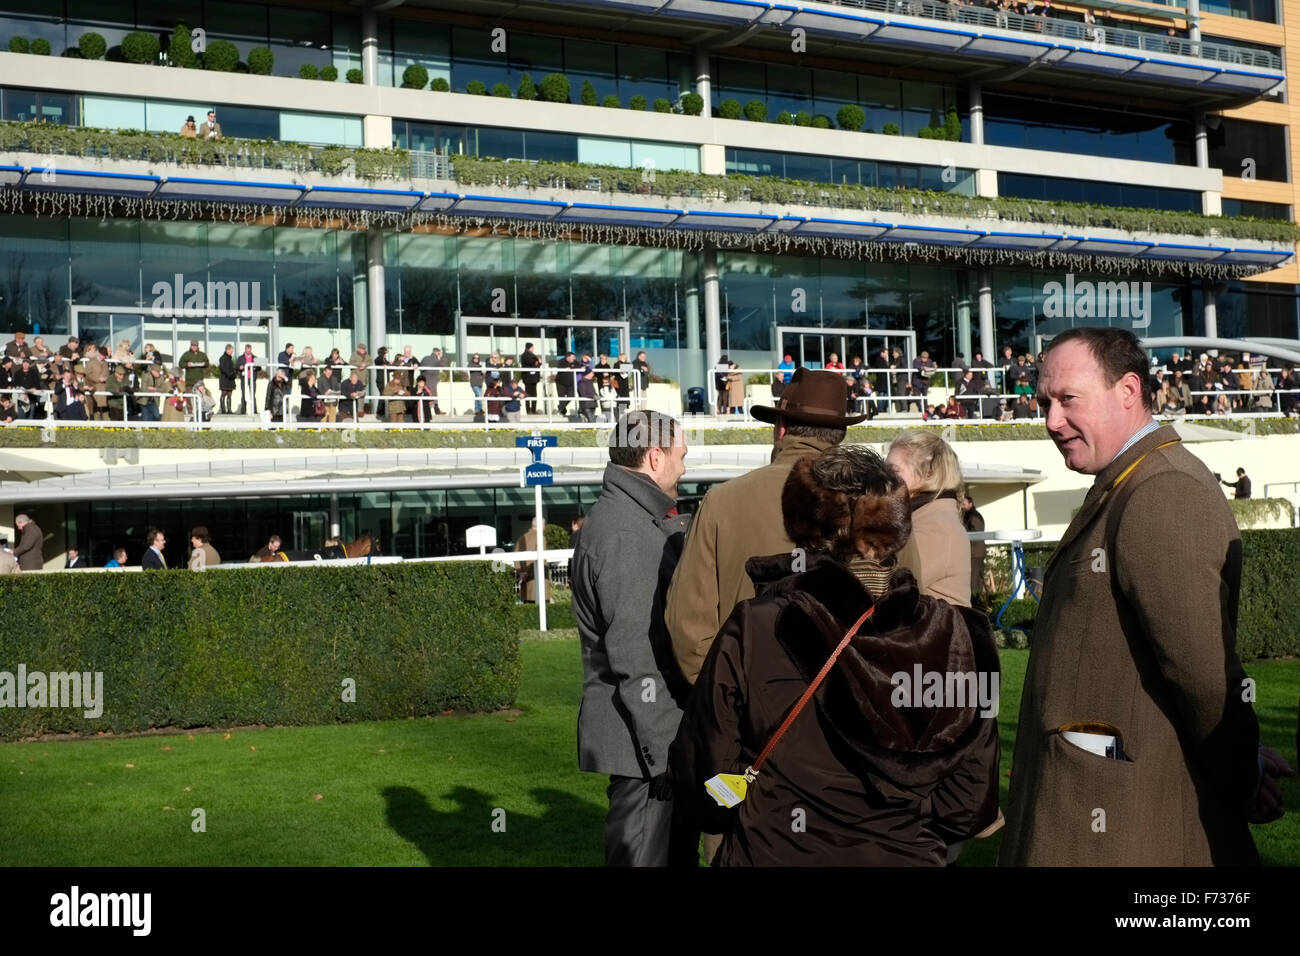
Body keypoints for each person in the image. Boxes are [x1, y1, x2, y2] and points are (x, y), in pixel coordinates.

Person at [1001, 327, 1293, 867]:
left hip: (1127, 834)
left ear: (1129, 390)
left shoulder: (1162, 490)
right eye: (1045, 401)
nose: (1050, 420)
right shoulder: (1130, 481)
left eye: (1068, 399)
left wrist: (1242, 776)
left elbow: (1203, 676)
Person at [669, 445, 1000, 866]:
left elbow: (701, 775)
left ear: (805, 528)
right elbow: (967, 804)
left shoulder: (757, 627)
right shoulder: (960, 636)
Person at [667, 368, 866, 685]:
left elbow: (687, 626)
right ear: (839, 434)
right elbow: (912, 613)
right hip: (851, 712)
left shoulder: (722, 502)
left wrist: (730, 699)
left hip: (752, 712)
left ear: (781, 429)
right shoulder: (877, 504)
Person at [572, 410, 694, 867]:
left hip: (642, 740)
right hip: (647, 748)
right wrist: (668, 749)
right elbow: (635, 654)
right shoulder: (627, 531)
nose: (685, 466)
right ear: (655, 456)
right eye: (681, 455)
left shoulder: (631, 519)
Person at [886, 429, 971, 607]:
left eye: (892, 471)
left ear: (929, 474)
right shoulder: (927, 516)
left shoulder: (936, 526)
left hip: (935, 633)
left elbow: (886, 587)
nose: (885, 479)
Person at [960, 491, 987, 596]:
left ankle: (975, 602)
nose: (962, 506)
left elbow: (975, 534)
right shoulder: (972, 515)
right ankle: (980, 601)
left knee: (973, 579)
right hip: (976, 551)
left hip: (975, 552)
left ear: (971, 504)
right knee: (978, 578)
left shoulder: (974, 517)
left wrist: (962, 529)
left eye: (964, 504)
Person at [514, 518, 544, 603]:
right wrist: (527, 572)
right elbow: (541, 559)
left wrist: (521, 572)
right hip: (537, 580)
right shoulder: (541, 538)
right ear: (541, 525)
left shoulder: (521, 538)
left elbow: (516, 558)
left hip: (525, 582)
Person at [236, 344, 259, 414]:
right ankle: (243, 410)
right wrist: (240, 368)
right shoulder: (240, 358)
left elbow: (259, 367)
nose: (248, 351)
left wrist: (256, 367)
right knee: (244, 394)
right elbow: (236, 367)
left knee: (253, 395)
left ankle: (254, 410)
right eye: (247, 349)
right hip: (244, 379)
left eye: (249, 349)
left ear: (251, 349)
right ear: (245, 349)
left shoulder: (255, 358)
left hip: (252, 379)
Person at [520, 343, 542, 414]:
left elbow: (537, 364)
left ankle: (533, 409)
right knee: (528, 394)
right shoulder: (525, 355)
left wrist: (538, 362)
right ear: (530, 347)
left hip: (533, 378)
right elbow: (532, 363)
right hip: (528, 378)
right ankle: (529, 410)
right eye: (533, 347)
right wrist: (537, 362)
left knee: (534, 394)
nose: (533, 349)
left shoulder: (531, 355)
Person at [218, 344, 237, 414]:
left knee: (229, 394)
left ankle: (229, 410)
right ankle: (223, 410)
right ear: (227, 350)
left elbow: (231, 368)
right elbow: (223, 368)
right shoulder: (222, 358)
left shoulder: (230, 358)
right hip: (224, 378)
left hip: (231, 379)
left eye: (232, 350)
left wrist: (234, 372)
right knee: (224, 393)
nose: (232, 351)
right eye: (231, 350)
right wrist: (229, 374)